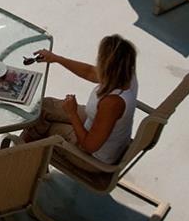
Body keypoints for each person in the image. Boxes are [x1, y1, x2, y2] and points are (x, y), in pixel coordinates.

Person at [21, 34, 138, 167]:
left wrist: (72, 114)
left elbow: (89, 146)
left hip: (93, 159)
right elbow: (89, 72)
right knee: (45, 106)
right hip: (95, 125)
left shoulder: (112, 103)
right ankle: (25, 149)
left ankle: (21, 157)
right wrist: (56, 59)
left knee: (46, 128)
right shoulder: (125, 74)